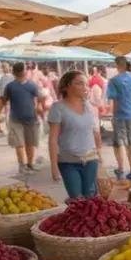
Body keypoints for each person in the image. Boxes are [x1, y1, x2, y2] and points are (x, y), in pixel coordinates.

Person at [48, 70, 102, 198]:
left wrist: (99, 155)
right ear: (67, 86)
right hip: (68, 161)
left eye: (86, 84)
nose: (85, 87)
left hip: (90, 160)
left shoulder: (89, 106)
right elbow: (53, 140)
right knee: (77, 199)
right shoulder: (58, 108)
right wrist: (54, 166)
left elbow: (95, 132)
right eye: (79, 83)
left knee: (91, 198)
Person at [0, 62, 43, 175]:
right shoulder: (17, 86)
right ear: (23, 72)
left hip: (27, 119)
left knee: (26, 143)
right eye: (24, 70)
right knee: (24, 144)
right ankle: (26, 165)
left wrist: (38, 105)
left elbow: (39, 98)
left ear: (13, 73)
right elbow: (39, 98)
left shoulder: (27, 85)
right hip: (19, 119)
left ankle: (26, 165)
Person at [106, 56, 131, 180]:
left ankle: (121, 168)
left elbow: (114, 100)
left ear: (117, 65)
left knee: (119, 143)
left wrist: (113, 116)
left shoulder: (114, 81)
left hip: (120, 115)